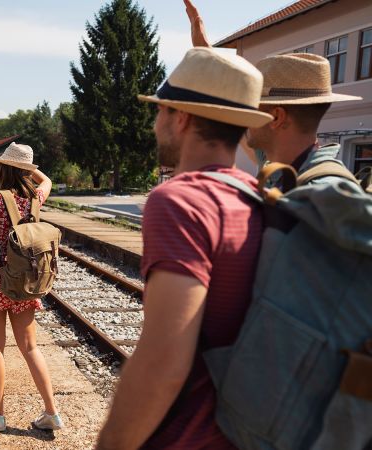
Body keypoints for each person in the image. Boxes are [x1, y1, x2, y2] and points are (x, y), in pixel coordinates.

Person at [96, 47, 274, 449]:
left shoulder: (180, 201)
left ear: (182, 118)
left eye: (161, 111)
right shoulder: (257, 196)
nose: (156, 124)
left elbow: (163, 366)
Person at [184, 0, 362, 183]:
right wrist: (206, 55)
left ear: (277, 118)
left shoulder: (325, 192)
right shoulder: (278, 163)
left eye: (253, 108)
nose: (247, 115)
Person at [0, 142, 63, 432]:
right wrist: (31, 169)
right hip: (26, 282)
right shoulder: (36, 198)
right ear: (24, 171)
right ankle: (51, 412)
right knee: (30, 347)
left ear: (4, 168)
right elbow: (46, 180)